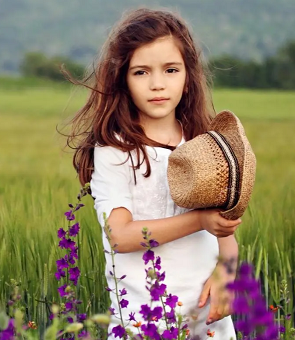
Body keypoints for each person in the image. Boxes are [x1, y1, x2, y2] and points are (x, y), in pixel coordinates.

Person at [66, 7, 242, 340]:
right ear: (123, 79)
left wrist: (228, 275)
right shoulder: (114, 151)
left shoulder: (205, 145)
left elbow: (225, 230)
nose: (157, 84)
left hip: (207, 323)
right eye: (141, 72)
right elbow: (120, 236)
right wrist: (199, 221)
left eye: (171, 70)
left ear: (188, 75)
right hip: (143, 323)